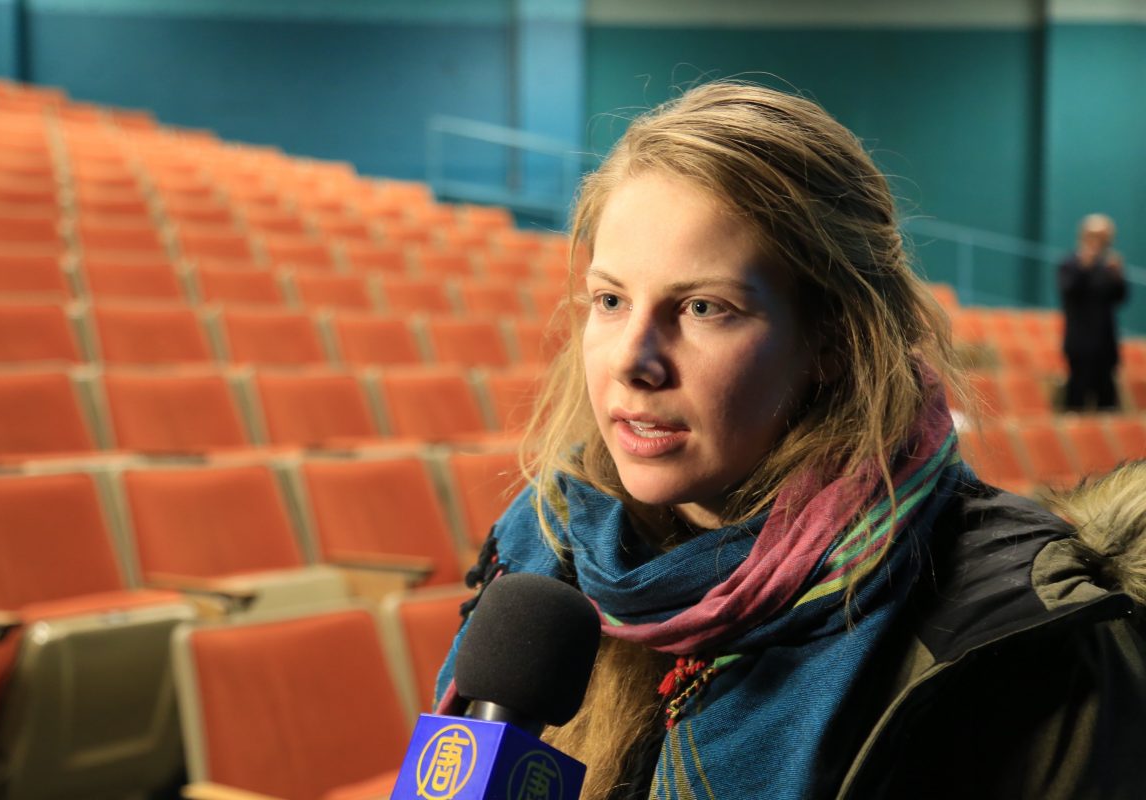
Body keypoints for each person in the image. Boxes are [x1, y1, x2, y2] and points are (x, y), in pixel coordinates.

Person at [434, 82, 1146, 799]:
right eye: (611, 300)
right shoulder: (539, 559)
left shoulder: (1017, 639)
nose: (632, 361)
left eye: (704, 307)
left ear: (832, 339)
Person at [1059, 213, 1128, 411]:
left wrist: (1118, 276)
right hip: (1080, 344)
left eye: (1104, 238)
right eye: (1094, 236)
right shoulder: (1070, 264)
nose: (1099, 242)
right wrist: (1084, 267)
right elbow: (1069, 290)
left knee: (1107, 402)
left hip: (1105, 344)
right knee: (1076, 400)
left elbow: (1120, 297)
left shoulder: (1109, 266)